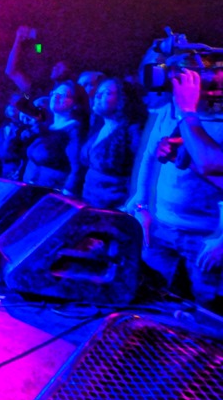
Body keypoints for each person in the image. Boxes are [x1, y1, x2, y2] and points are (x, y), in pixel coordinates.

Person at [134, 66, 223, 313]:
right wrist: (142, 207)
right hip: (163, 226)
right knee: (157, 301)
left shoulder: (187, 112)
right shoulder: (170, 110)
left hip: (206, 236)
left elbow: (210, 164)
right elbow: (149, 158)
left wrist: (221, 239)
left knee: (207, 312)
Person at [79, 77, 147, 209]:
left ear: (122, 100)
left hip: (113, 207)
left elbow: (141, 171)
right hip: (89, 202)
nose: (97, 96)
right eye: (98, 92)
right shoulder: (99, 126)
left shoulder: (133, 131)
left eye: (106, 93)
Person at [20, 80, 89, 195]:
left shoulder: (74, 131)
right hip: (31, 189)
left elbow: (77, 168)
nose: (55, 97)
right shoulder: (48, 127)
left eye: (62, 95)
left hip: (49, 194)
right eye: (54, 93)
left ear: (76, 105)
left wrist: (67, 194)